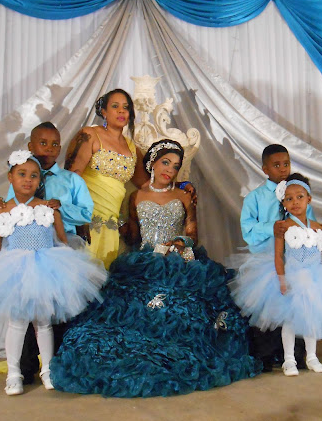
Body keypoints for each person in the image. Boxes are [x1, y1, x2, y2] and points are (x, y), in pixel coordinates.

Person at [50, 140, 262, 397]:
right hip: (145, 261)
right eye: (165, 163)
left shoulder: (184, 195)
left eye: (176, 166)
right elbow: (135, 237)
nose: (170, 170)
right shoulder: (136, 196)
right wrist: (118, 226)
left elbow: (193, 233)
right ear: (152, 164)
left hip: (179, 259)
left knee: (184, 308)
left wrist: (180, 243)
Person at [0, 150, 107, 396]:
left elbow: (62, 242)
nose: (28, 180)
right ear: (10, 177)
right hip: (15, 271)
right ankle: (13, 373)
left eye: (34, 176)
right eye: (22, 174)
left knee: (44, 322)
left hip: (45, 269)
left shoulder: (48, 209)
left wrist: (68, 270)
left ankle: (48, 370)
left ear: (40, 180)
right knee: (17, 323)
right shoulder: (1, 212)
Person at [232, 173, 322, 376]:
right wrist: (282, 279)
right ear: (283, 203)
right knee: (290, 320)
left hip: (316, 278)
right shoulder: (284, 227)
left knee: (311, 319)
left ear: (309, 199)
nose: (295, 202)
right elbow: (278, 256)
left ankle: (311, 357)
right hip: (292, 277)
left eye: (299, 197)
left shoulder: (318, 227)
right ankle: (289, 360)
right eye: (289, 198)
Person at [0, 122, 94, 383]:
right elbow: (10, 209)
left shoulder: (72, 180)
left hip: (56, 249)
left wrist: (59, 208)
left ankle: (53, 366)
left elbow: (85, 213)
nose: (49, 148)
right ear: (31, 146)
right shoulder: (23, 175)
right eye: (43, 143)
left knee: (54, 316)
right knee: (22, 317)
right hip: (22, 253)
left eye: (55, 144)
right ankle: (23, 368)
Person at [238, 144, 319, 370]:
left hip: (297, 262)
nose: (283, 169)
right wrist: (271, 227)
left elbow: (309, 223)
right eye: (276, 165)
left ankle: (296, 353)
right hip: (266, 260)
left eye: (286, 164)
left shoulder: (299, 193)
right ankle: (266, 354)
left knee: (297, 305)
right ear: (265, 169)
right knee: (269, 308)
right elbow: (247, 230)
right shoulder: (255, 198)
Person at [64, 89, 147, 268]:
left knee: (105, 272)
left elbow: (147, 184)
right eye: (115, 106)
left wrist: (181, 185)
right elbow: (70, 178)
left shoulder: (132, 148)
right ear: (104, 111)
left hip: (112, 225)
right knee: (82, 270)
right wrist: (78, 219)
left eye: (126, 107)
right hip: (86, 218)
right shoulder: (89, 135)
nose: (121, 111)